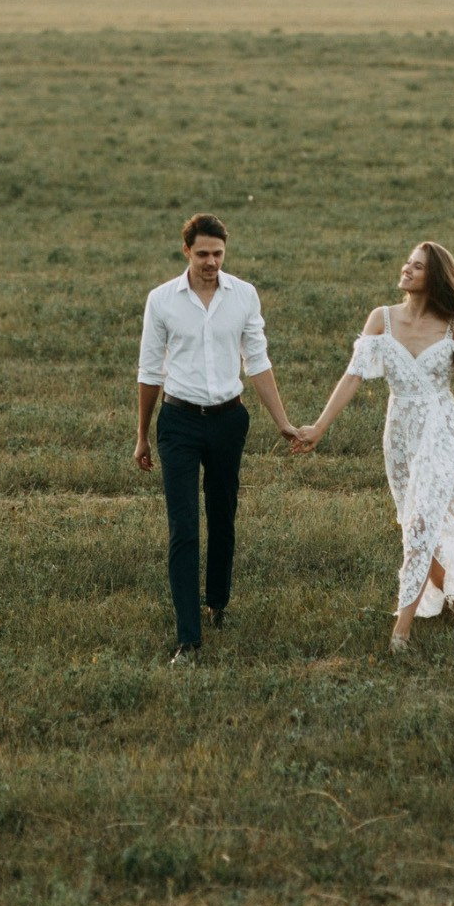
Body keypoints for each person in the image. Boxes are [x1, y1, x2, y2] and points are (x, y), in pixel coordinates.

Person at [293, 241, 454, 653]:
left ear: (432, 278)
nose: (406, 269)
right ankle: (449, 591)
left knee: (419, 525)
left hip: (440, 430)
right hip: (400, 435)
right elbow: (353, 377)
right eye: (407, 263)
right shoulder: (382, 319)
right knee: (412, 520)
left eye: (416, 267)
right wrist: (320, 427)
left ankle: (402, 630)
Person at [135, 213, 299, 664]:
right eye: (203, 253)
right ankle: (188, 638)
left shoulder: (243, 295)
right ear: (186, 251)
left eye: (218, 254)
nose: (211, 262)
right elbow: (150, 371)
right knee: (184, 528)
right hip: (178, 422)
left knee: (223, 517)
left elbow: (258, 361)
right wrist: (142, 437)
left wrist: (282, 421)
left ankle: (218, 603)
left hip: (229, 420)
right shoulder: (162, 300)